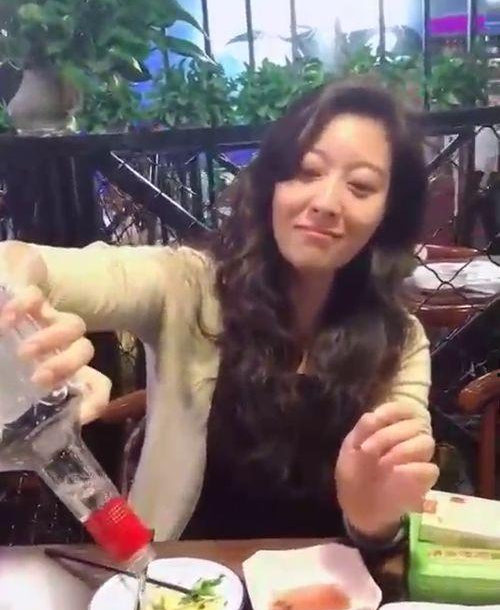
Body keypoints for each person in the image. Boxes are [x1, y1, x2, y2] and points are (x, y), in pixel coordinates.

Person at [0, 81, 438, 543]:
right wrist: (15, 295)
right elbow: (31, 262)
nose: (326, 203)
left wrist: (373, 517)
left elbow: (396, 500)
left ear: (388, 213)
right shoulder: (189, 285)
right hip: (177, 577)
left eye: (361, 187)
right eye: (306, 172)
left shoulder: (401, 339)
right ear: (272, 184)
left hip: (334, 581)